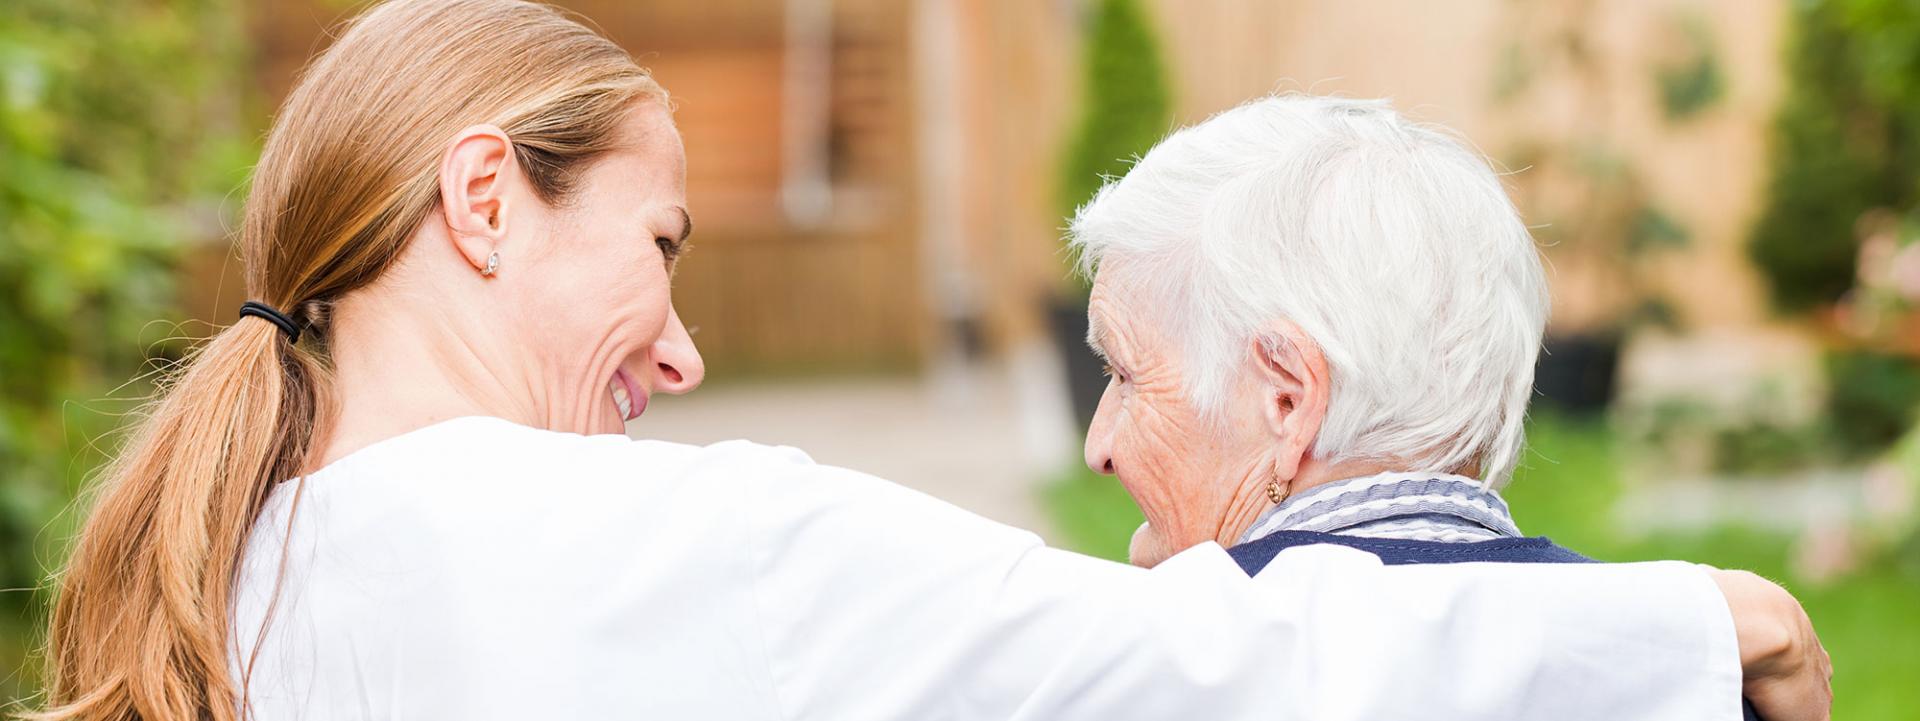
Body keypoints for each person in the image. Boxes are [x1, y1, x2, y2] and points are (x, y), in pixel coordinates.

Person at [36, 2, 1827, 720]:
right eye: (657, 251)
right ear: (486, 198)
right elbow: (1196, 676)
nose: (680, 348)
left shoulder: (223, 580)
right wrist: (1688, 622)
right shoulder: (650, 549)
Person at [1071, 94, 1827, 720]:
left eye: (1126, 374)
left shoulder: (1153, 681)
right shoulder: (1712, 676)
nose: (1097, 445)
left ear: (1287, 396)